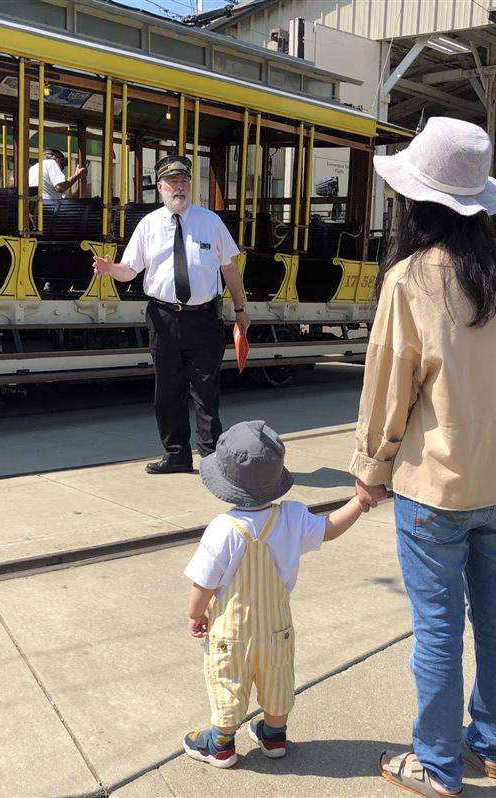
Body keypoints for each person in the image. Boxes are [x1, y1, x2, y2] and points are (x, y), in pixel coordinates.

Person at [349, 117, 496, 798]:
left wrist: (370, 472)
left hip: (437, 489)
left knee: (437, 630)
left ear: (417, 200)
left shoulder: (410, 278)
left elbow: (387, 389)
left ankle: (434, 765)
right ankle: (488, 747)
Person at [182, 420, 368, 768]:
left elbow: (204, 583)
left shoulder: (222, 529)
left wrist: (196, 614)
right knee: (277, 677)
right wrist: (358, 502)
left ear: (225, 485)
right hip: (276, 628)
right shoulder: (293, 518)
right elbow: (329, 529)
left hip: (231, 632)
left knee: (228, 679)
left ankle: (220, 744)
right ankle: (274, 735)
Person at [92, 154, 250, 474]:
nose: (179, 187)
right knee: (168, 392)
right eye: (172, 182)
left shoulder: (210, 222)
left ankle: (211, 460)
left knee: (206, 393)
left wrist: (241, 309)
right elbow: (130, 269)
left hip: (204, 317)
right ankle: (177, 454)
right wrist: (111, 270)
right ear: (160, 187)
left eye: (184, 181)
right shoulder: (149, 225)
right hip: (163, 318)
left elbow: (230, 269)